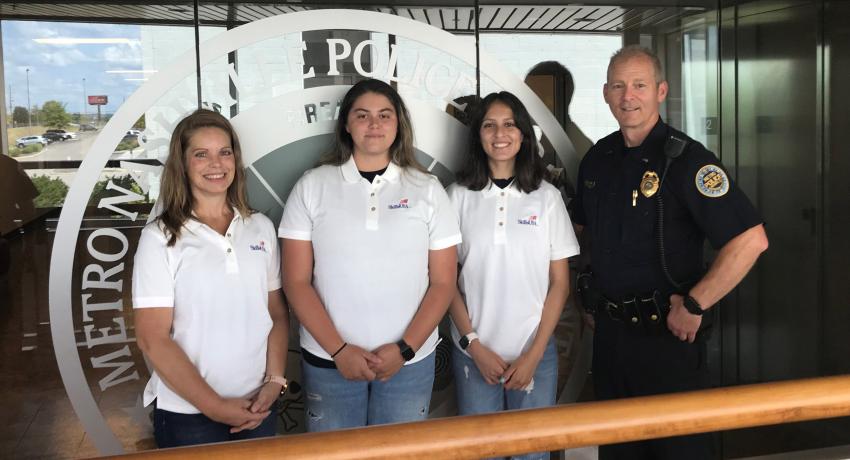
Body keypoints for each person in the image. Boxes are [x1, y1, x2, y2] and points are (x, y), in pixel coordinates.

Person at [572, 45, 769, 459]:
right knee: (620, 451)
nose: (629, 96)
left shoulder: (688, 160)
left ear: (661, 91)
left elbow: (751, 239)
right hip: (610, 342)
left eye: (640, 85)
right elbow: (581, 233)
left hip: (668, 340)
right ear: (606, 94)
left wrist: (696, 304)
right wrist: (585, 289)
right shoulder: (597, 159)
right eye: (619, 86)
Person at [279, 78, 460, 432]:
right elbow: (296, 282)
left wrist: (405, 350)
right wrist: (339, 351)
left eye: (384, 115)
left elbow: (443, 282)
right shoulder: (312, 186)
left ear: (398, 124)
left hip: (409, 364)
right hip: (330, 363)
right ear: (346, 124)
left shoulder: (428, 189)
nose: (374, 124)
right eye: (362, 115)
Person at [133, 109, 289, 448]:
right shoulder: (160, 237)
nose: (216, 164)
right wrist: (214, 406)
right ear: (183, 164)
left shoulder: (260, 227)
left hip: (257, 406)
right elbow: (152, 338)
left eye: (225, 152)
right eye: (201, 154)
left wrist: (275, 380)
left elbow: (275, 313)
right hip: (188, 414)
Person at [448, 91, 579, 460]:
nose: (499, 133)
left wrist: (535, 353)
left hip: (534, 353)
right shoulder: (456, 196)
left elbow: (560, 284)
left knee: (532, 455)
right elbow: (444, 282)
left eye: (509, 124)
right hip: (474, 353)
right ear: (477, 135)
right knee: (480, 452)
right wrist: (473, 345)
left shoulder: (547, 197)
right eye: (489, 125)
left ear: (523, 134)